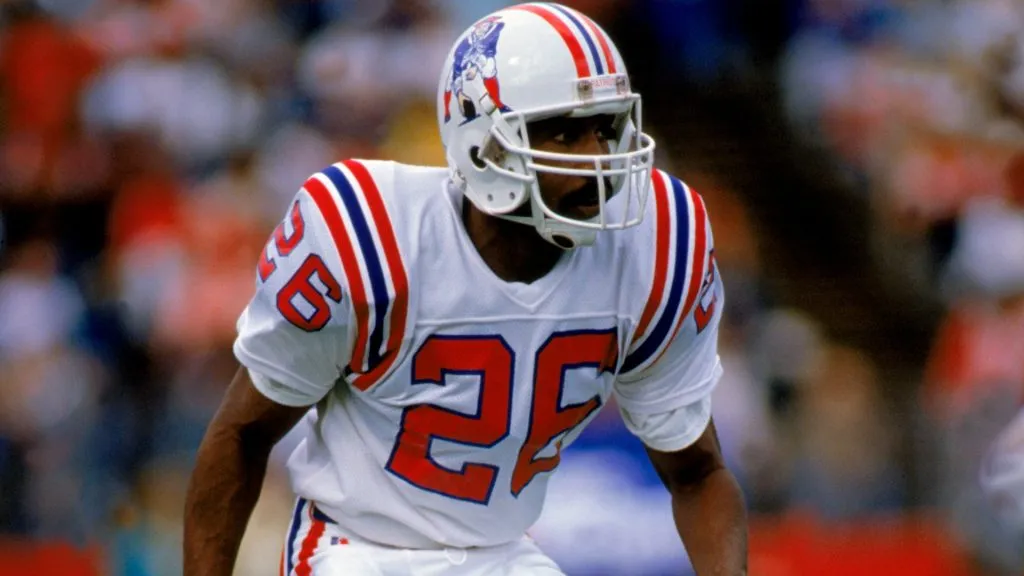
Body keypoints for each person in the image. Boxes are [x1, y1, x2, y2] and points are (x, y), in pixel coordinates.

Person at [183, 3, 748, 575]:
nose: (597, 159)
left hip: (502, 554)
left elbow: (698, 471)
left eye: (606, 129)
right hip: (358, 549)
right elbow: (242, 434)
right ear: (485, 146)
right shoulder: (373, 238)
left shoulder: (655, 244)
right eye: (565, 133)